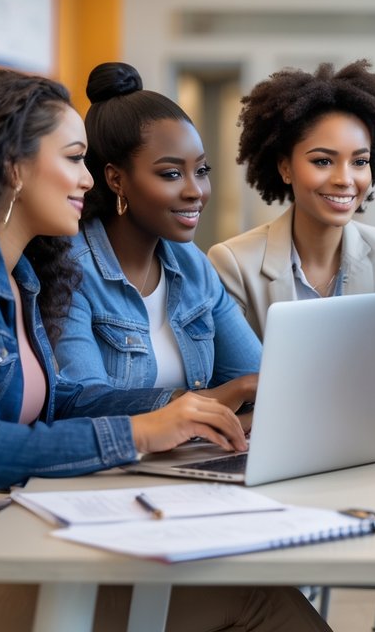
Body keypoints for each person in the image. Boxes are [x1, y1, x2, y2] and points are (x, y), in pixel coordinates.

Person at [0, 70, 329, 631]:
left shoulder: (17, 273)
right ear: (11, 166)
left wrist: (177, 408)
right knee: (250, 597)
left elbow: (61, 398)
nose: (90, 181)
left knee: (236, 581)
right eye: (74, 159)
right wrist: (140, 432)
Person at [53, 63, 261, 414]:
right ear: (116, 179)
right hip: (112, 465)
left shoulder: (191, 262)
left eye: (202, 171)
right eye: (171, 173)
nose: (195, 191)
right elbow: (82, 403)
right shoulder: (70, 268)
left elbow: (253, 378)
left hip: (188, 459)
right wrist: (201, 404)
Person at [207, 59, 375, 340]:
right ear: (285, 168)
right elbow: (237, 376)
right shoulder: (234, 263)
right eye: (323, 161)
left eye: (359, 161)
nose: (344, 179)